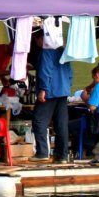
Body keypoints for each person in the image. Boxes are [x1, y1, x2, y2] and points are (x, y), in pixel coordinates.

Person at [29, 32, 71, 162]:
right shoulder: (62, 50)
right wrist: (67, 86)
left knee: (38, 120)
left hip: (50, 91)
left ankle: (42, 152)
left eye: (37, 41)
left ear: (42, 38)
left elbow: (45, 71)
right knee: (61, 124)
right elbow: (69, 72)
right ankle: (62, 155)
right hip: (63, 91)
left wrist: (43, 89)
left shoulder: (46, 51)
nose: (37, 44)